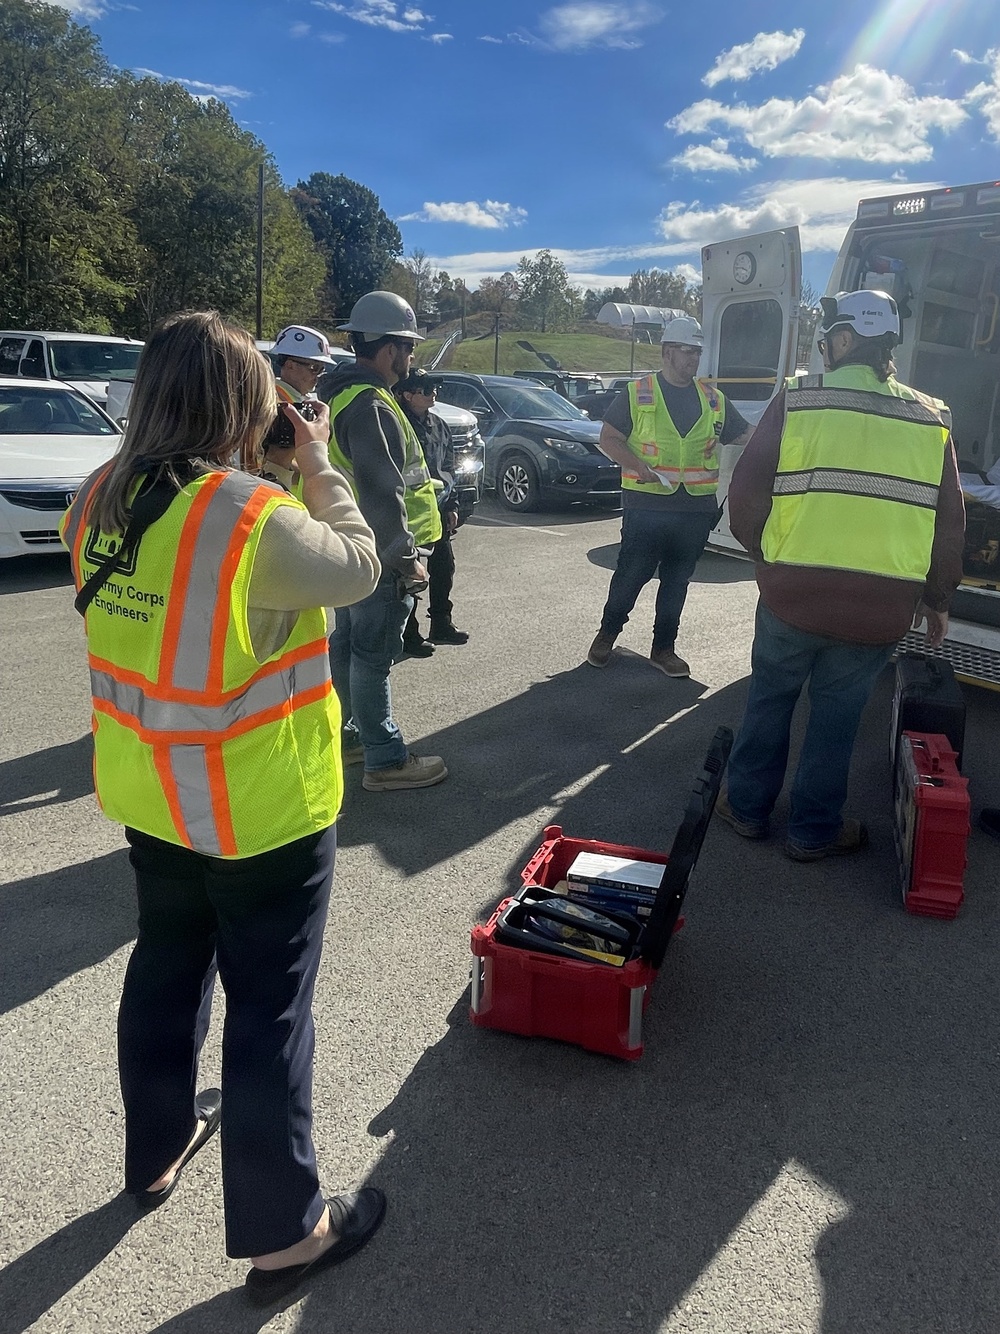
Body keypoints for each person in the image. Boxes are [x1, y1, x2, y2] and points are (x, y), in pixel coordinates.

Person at [60, 310, 386, 1307]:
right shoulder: (253, 514)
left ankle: (156, 1149)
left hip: (151, 793)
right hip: (258, 813)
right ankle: (286, 1233)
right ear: (251, 406)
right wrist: (318, 460)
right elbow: (360, 565)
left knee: (164, 967)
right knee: (267, 1011)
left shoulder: (95, 501)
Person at [716, 289, 966, 861]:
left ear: (847, 339)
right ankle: (812, 831)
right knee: (836, 721)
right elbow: (949, 524)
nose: (824, 349)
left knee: (769, 702)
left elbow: (747, 494)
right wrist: (937, 598)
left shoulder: (800, 398)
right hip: (878, 611)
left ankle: (748, 809)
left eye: (828, 339)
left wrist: (767, 558)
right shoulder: (931, 419)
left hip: (791, 597)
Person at [324, 290, 448, 791]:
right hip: (378, 557)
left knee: (349, 646)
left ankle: (347, 738)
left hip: (348, 548)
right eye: (408, 347)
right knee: (373, 656)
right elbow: (382, 488)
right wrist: (405, 557)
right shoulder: (370, 402)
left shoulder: (340, 393)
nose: (411, 357)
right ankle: (385, 759)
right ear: (388, 347)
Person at [587, 316, 752, 678]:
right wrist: (638, 465)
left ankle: (664, 648)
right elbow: (609, 439)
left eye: (697, 351)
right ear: (666, 352)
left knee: (677, 583)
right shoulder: (637, 392)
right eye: (686, 350)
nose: (693, 358)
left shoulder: (713, 399)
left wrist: (786, 433)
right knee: (631, 576)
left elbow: (743, 435)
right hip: (646, 505)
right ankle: (606, 635)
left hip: (693, 509)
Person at [394, 367, 469, 653]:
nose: (433, 393)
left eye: (434, 388)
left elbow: (448, 467)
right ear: (406, 394)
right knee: (411, 577)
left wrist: (452, 505)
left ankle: (441, 624)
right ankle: (409, 635)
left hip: (437, 511)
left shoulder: (438, 425)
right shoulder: (398, 425)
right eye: (425, 389)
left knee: (443, 569)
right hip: (408, 513)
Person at [263, 324, 339, 493]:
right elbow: (271, 459)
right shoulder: (275, 404)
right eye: (314, 368)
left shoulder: (296, 400)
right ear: (290, 365)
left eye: (322, 369)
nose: (319, 375)